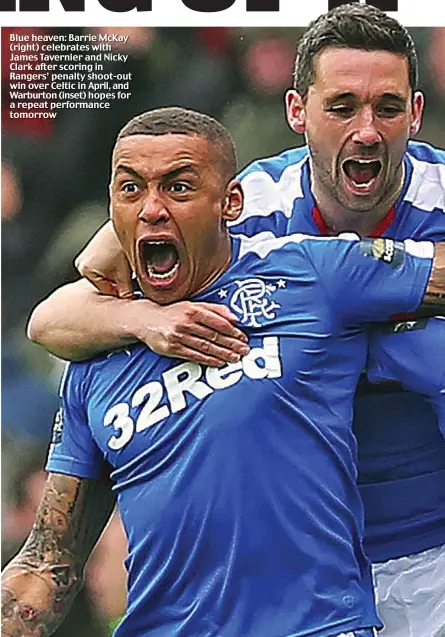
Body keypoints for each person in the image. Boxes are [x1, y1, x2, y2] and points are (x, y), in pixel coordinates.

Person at [26, 5, 445, 636]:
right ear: (297, 112)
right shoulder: (246, 199)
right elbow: (58, 312)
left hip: (427, 549)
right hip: (314, 571)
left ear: (414, 114)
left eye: (386, 109)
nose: (366, 131)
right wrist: (144, 319)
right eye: (341, 108)